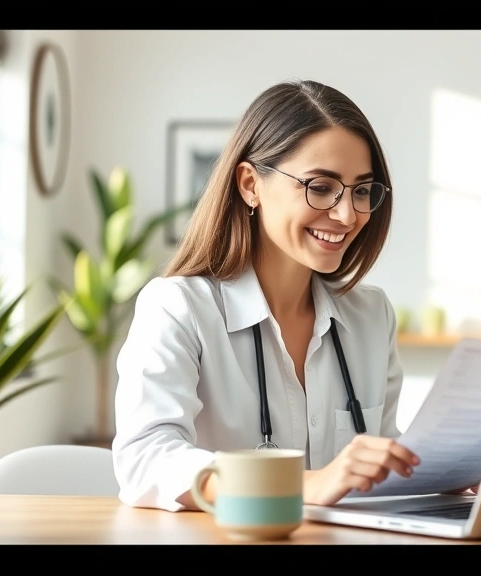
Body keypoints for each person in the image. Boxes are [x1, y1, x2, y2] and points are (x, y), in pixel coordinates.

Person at [112, 79, 421, 512]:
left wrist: (447, 475)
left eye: (362, 190)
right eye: (320, 186)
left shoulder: (372, 315)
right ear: (249, 185)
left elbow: (381, 454)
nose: (347, 213)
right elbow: (146, 460)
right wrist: (300, 484)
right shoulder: (178, 307)